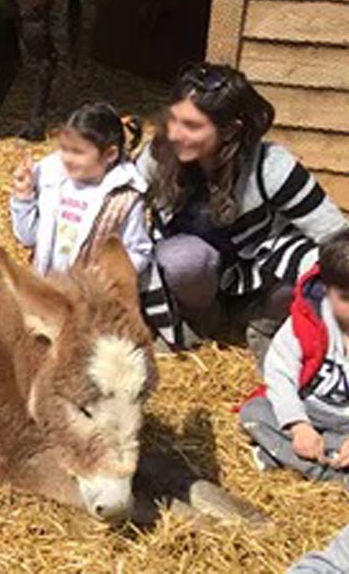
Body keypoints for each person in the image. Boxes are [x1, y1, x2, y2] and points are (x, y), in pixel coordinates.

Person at [136, 63, 347, 359]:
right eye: (174, 120)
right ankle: (200, 323)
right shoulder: (157, 156)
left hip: (256, 274)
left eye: (192, 126)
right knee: (183, 258)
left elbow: (333, 234)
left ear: (230, 130)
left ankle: (262, 324)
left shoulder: (270, 165)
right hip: (192, 276)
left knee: (316, 265)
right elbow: (118, 210)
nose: (175, 133)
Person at [240, 229, 349, 486]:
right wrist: (298, 425)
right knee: (254, 413)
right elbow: (280, 371)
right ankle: (333, 475)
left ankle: (286, 457)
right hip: (308, 410)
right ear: (326, 289)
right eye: (345, 297)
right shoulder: (307, 320)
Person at [10, 101, 152, 276]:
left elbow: (138, 252)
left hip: (90, 297)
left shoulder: (123, 199)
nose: (67, 158)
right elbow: (28, 237)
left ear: (110, 155)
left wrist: (110, 274)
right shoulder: (53, 183)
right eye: (64, 149)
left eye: (77, 152)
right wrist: (23, 197)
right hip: (46, 289)